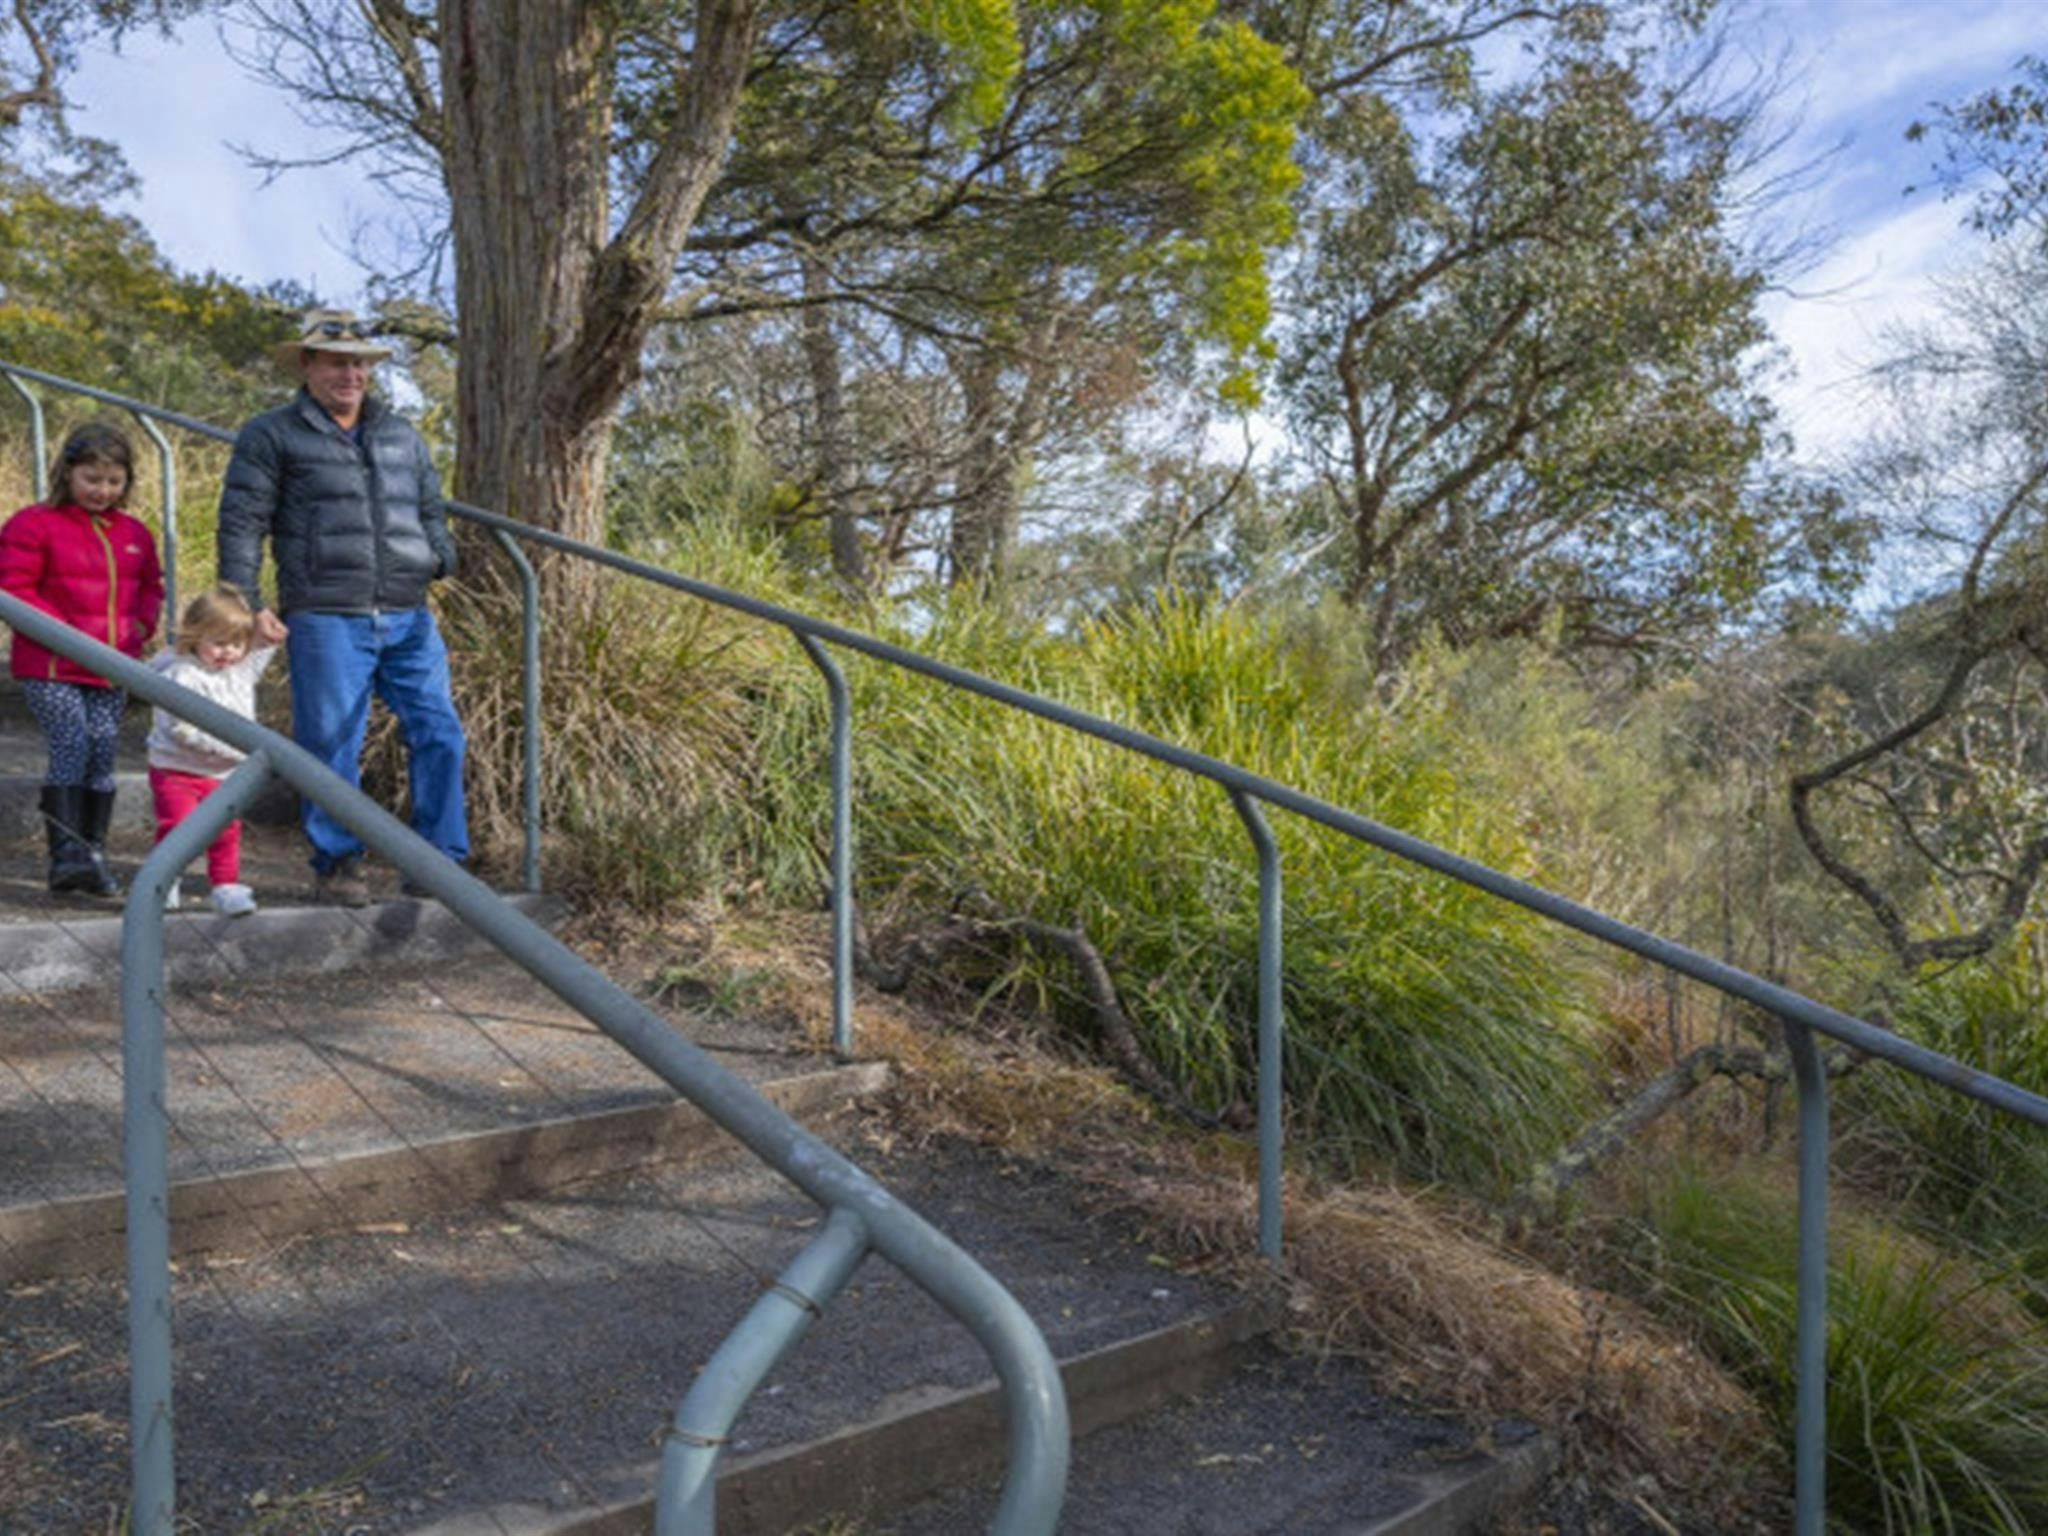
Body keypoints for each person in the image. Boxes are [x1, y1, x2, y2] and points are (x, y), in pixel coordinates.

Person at [217, 309, 465, 906]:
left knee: (440, 732)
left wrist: (440, 557)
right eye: (336, 361)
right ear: (308, 365)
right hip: (325, 613)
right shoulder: (272, 433)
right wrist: (244, 602)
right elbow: (243, 520)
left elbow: (430, 507)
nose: (350, 372)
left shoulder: (401, 433)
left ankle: (439, 861)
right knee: (330, 742)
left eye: (359, 362)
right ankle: (338, 863)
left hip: (409, 612)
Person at [0, 422, 164, 897]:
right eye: (92, 478)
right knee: (71, 742)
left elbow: (152, 587)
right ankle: (66, 856)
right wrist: (66, 634)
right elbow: (14, 589)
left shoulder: (134, 532)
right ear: (67, 473)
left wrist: (140, 627)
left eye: (113, 481)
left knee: (103, 751)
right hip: (52, 664)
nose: (102, 490)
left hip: (111, 667)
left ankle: (93, 853)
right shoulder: (33, 524)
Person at [145, 588, 281, 917]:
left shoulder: (240, 669)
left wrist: (269, 631)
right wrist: (238, 748)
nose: (228, 653)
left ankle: (225, 886)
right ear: (195, 636)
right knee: (178, 826)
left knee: (225, 831)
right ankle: (163, 881)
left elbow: (264, 646)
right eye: (218, 643)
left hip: (224, 774)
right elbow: (183, 731)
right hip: (177, 768)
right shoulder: (181, 675)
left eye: (236, 645)